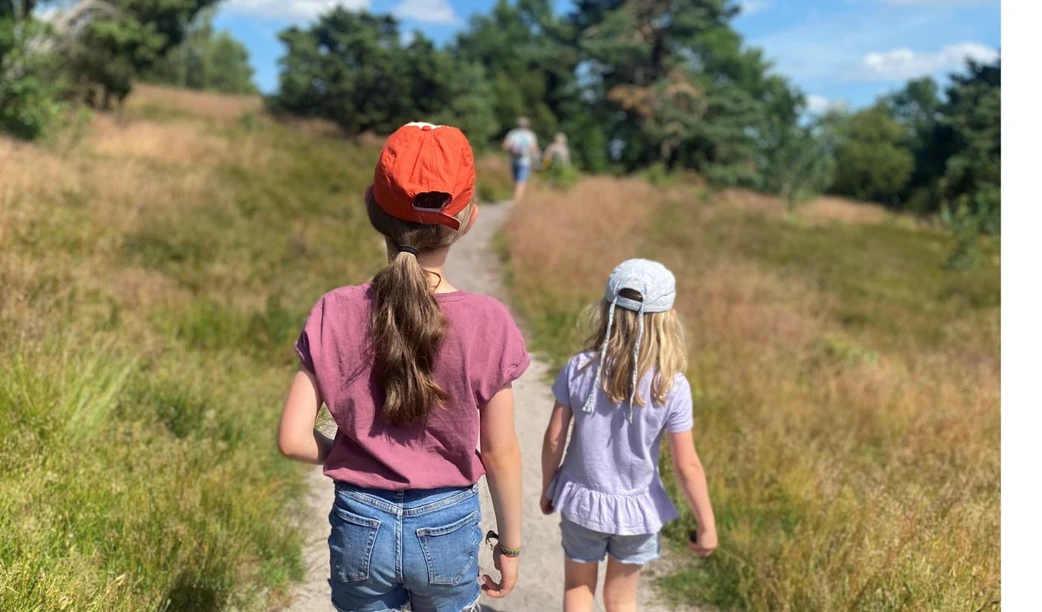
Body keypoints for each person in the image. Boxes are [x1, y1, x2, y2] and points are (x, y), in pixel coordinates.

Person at [277, 121, 530, 612]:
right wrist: (510, 548)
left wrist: (357, 460)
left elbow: (292, 438)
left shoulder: (334, 309)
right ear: (470, 218)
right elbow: (500, 453)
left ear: (373, 210)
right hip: (447, 525)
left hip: (359, 524)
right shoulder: (490, 321)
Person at [539, 259, 717, 612]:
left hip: (582, 503)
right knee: (622, 600)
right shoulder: (672, 386)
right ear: (669, 318)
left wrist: (549, 487)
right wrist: (706, 524)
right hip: (638, 510)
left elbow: (555, 438)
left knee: (577, 587)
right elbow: (687, 466)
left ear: (606, 310)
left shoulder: (579, 368)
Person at [502, 117, 539, 204]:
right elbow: (534, 148)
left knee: (519, 180)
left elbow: (505, 145)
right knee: (519, 181)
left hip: (518, 160)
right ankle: (516, 200)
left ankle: (516, 201)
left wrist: (513, 148)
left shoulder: (512, 134)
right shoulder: (530, 135)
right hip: (523, 160)